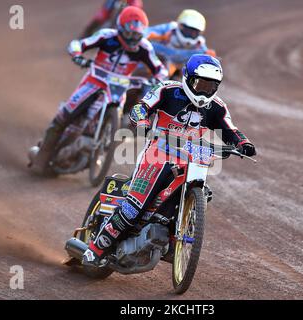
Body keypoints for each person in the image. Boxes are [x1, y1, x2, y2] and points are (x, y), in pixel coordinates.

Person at [82, 54, 256, 266]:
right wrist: (143, 121)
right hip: (158, 151)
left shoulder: (217, 107)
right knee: (134, 207)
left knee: (204, 193)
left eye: (210, 86)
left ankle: (174, 234)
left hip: (192, 156)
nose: (204, 91)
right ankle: (95, 249)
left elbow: (231, 129)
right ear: (188, 78)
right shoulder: (167, 89)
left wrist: (243, 144)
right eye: (200, 84)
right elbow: (141, 107)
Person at [29, 6, 167, 175]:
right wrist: (78, 55)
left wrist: (157, 80)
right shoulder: (106, 36)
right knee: (65, 114)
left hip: (119, 88)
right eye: (130, 34)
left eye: (137, 35)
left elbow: (160, 70)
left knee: (125, 116)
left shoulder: (145, 48)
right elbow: (78, 44)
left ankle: (100, 145)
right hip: (94, 81)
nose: (133, 39)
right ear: (120, 29)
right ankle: (42, 157)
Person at [144, 9, 216, 78]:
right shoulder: (168, 29)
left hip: (179, 72)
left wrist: (209, 59)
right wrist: (158, 36)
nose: (190, 35)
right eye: (188, 31)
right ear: (180, 26)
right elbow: (144, 32)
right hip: (156, 65)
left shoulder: (199, 44)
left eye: (194, 33)